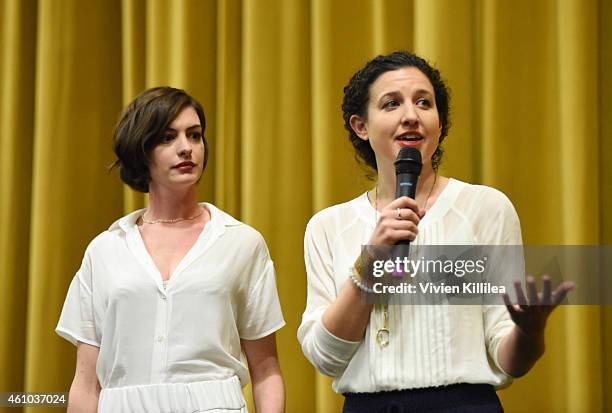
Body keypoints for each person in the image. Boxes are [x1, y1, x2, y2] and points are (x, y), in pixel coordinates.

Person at [297, 51, 574, 412]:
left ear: (439, 123)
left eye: (424, 103)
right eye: (392, 103)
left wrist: (530, 331)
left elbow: (510, 360)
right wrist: (371, 260)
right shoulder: (328, 227)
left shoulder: (486, 208)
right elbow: (325, 358)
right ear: (360, 126)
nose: (411, 116)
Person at [56, 87, 285, 413]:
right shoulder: (104, 250)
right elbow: (86, 382)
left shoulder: (242, 243)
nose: (186, 148)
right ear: (141, 150)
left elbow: (266, 370)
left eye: (194, 135)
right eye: (167, 137)